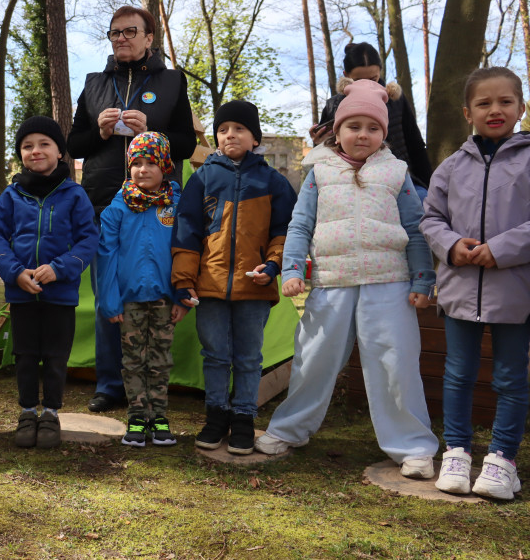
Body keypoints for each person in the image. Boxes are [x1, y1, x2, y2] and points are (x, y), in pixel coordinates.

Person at [254, 80, 439, 479]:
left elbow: (415, 227)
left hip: (389, 282)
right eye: (353, 126)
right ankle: (289, 429)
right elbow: (300, 225)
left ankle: (413, 446)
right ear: (337, 130)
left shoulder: (397, 172)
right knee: (313, 359)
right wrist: (291, 270)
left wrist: (423, 280)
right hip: (331, 281)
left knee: (395, 363)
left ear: (383, 133)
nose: (363, 135)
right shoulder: (319, 172)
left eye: (373, 128)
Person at [68, 5, 197, 413]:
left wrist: (153, 135)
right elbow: (74, 145)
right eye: (114, 33)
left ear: (149, 38)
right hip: (106, 199)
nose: (121, 38)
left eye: (129, 31)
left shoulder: (172, 82)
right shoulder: (93, 84)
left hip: (158, 206)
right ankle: (110, 385)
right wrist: (101, 131)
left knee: (155, 289)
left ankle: (153, 382)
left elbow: (188, 145)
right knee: (111, 291)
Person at [420, 67, 530, 500]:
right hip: (459, 289)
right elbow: (430, 218)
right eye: (484, 103)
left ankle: (502, 460)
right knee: (458, 374)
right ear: (468, 113)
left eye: (505, 101)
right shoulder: (451, 166)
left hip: (514, 292)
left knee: (509, 378)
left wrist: (500, 248)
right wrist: (451, 245)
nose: (495, 109)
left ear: (521, 107)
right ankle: (457, 452)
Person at [171, 101, 297, 455]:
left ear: (254, 138)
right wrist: (183, 280)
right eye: (223, 130)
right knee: (214, 354)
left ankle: (243, 416)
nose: (230, 135)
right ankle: (215, 415)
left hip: (254, 287)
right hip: (208, 287)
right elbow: (186, 232)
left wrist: (272, 266)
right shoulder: (203, 178)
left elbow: (284, 231)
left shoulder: (273, 182)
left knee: (248, 357)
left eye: (239, 129)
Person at [0, 116, 99, 448]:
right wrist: (15, 272)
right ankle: (26, 412)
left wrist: (61, 268)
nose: (35, 151)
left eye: (43, 144)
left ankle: (50, 412)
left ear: (59, 152)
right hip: (22, 294)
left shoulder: (75, 195)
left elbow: (88, 240)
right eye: (27, 146)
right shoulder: (10, 196)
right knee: (24, 354)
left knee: (55, 356)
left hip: (60, 294)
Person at [97, 132, 187, 447]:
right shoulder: (119, 207)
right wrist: (109, 301)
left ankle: (158, 417)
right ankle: (137, 417)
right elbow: (105, 255)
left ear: (165, 167)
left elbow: (187, 251)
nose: (143, 170)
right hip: (130, 299)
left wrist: (183, 296)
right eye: (136, 163)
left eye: (151, 163)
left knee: (160, 359)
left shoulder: (177, 205)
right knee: (133, 360)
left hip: (165, 298)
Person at [311, 42, 432, 195]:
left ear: (380, 72)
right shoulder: (334, 106)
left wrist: (429, 186)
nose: (367, 85)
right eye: (359, 80)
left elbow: (415, 145)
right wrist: (320, 143)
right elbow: (323, 157)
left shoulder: (395, 100)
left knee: (422, 201)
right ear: (346, 75)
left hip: (400, 179)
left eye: (373, 79)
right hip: (350, 181)